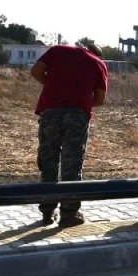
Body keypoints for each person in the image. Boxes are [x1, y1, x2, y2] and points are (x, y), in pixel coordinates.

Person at [30, 42, 109, 227]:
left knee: (48, 161)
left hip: (50, 112)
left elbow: (35, 71)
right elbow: (99, 99)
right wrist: (80, 99)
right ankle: (69, 214)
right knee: (71, 164)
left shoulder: (58, 51)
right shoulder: (98, 63)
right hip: (77, 115)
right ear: (97, 54)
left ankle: (47, 212)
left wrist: (51, 85)